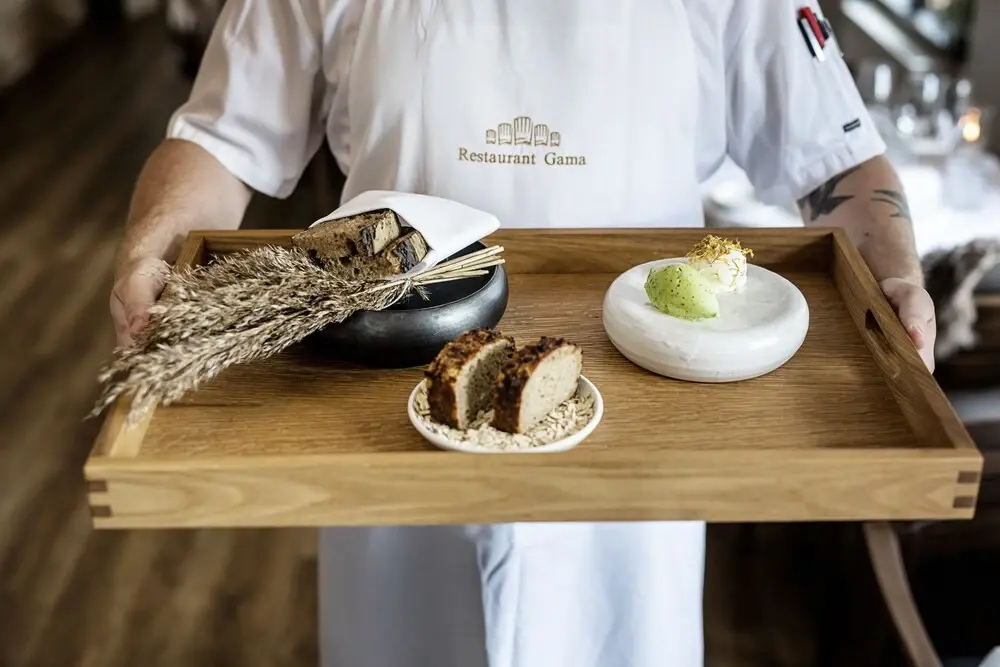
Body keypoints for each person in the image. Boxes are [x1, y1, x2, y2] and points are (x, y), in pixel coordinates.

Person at [110, 2, 937, 665]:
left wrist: (894, 273)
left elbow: (837, 163)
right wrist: (153, 246)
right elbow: (222, 138)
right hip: (390, 422)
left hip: (638, 438)